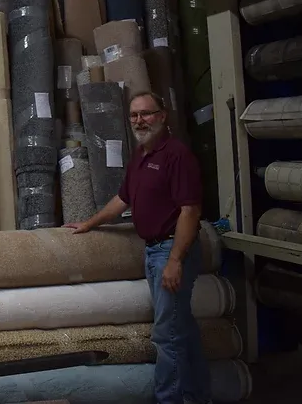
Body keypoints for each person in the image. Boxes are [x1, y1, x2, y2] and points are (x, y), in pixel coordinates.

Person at [64, 91, 211, 404]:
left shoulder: (177, 155)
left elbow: (189, 211)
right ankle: (198, 396)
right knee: (181, 330)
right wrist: (90, 223)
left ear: (162, 115)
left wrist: (175, 260)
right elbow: (122, 200)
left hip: (170, 251)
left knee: (166, 336)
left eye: (146, 113)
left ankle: (168, 399)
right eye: (134, 115)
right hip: (154, 251)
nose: (140, 121)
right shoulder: (141, 157)